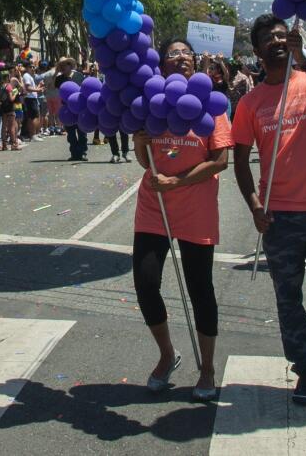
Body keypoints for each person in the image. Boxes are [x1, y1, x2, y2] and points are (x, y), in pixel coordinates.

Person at [233, 15, 306, 407]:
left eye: (283, 35)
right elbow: (240, 160)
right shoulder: (249, 103)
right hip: (279, 212)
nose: (278, 41)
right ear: (257, 49)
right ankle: (304, 367)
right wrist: (253, 206)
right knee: (288, 297)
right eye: (269, 38)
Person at [131, 38, 232, 401]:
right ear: (162, 66)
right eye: (172, 54)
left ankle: (207, 367)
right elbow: (148, 162)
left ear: (195, 62)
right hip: (154, 206)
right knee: (145, 282)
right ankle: (167, 355)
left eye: (185, 54)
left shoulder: (212, 105)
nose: (180, 58)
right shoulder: (153, 104)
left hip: (196, 208)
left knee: (200, 290)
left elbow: (220, 161)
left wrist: (178, 180)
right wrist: (141, 141)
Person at [56, 59, 88, 161]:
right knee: (70, 133)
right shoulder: (59, 78)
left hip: (79, 107)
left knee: (82, 131)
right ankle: (74, 153)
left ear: (70, 66)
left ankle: (82, 152)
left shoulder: (79, 76)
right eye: (61, 66)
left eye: (65, 65)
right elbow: (54, 86)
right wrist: (57, 71)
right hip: (67, 109)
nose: (63, 67)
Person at [20, 63, 42, 140]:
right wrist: (38, 89)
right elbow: (28, 88)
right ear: (26, 68)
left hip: (32, 98)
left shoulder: (29, 76)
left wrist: (39, 86)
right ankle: (33, 135)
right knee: (33, 117)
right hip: (30, 99)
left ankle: (32, 135)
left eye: (33, 67)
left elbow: (32, 88)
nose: (33, 68)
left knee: (33, 117)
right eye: (30, 67)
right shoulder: (26, 76)